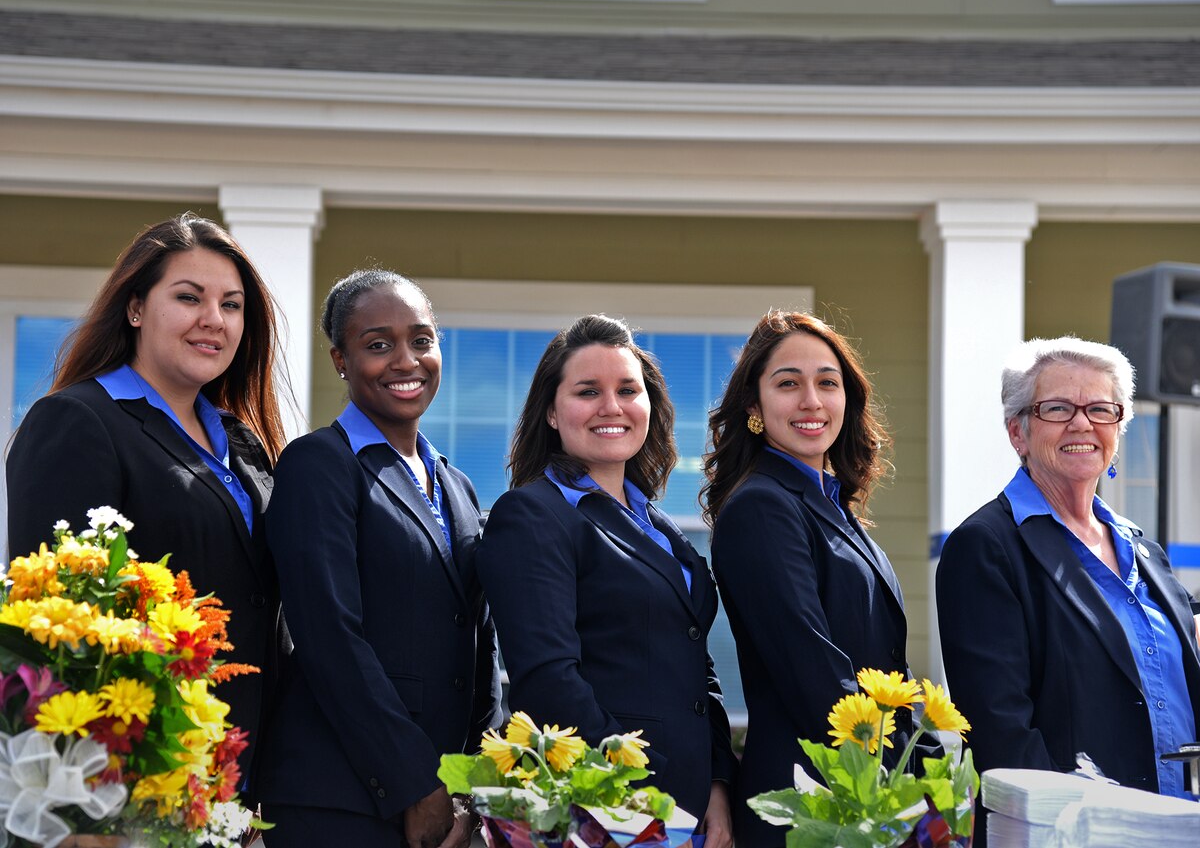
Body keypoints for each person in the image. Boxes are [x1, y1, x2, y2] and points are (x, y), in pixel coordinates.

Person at [6, 212, 286, 782]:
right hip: (138, 772)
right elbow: (55, 628)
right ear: (135, 308)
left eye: (232, 305)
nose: (214, 320)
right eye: (190, 298)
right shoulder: (78, 421)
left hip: (253, 772)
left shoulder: (245, 444)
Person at [257, 270, 502, 848]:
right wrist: (414, 782)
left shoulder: (458, 486)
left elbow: (480, 640)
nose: (405, 360)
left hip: (445, 799)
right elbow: (329, 638)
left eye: (421, 340)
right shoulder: (317, 465)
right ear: (341, 360)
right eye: (377, 345)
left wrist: (473, 787)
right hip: (341, 796)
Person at [477, 314, 736, 845]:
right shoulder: (531, 515)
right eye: (587, 391)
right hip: (603, 808)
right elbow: (549, 682)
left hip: (687, 809)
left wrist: (715, 781)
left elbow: (696, 665)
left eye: (627, 390)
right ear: (551, 412)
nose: (611, 407)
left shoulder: (662, 527)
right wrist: (642, 791)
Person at [937, 337, 1200, 839]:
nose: (1082, 423)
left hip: (1180, 827)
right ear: (1019, 431)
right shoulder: (986, 546)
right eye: (1058, 408)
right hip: (1074, 833)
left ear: (1117, 430)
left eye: (1101, 409)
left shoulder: (1145, 551)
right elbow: (1002, 733)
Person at [702, 310, 917, 848]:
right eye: (788, 384)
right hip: (810, 803)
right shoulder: (761, 507)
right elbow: (813, 672)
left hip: (864, 790)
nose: (812, 401)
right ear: (754, 406)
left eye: (827, 382)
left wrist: (924, 763)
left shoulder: (835, 507)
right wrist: (902, 781)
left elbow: (884, 663)